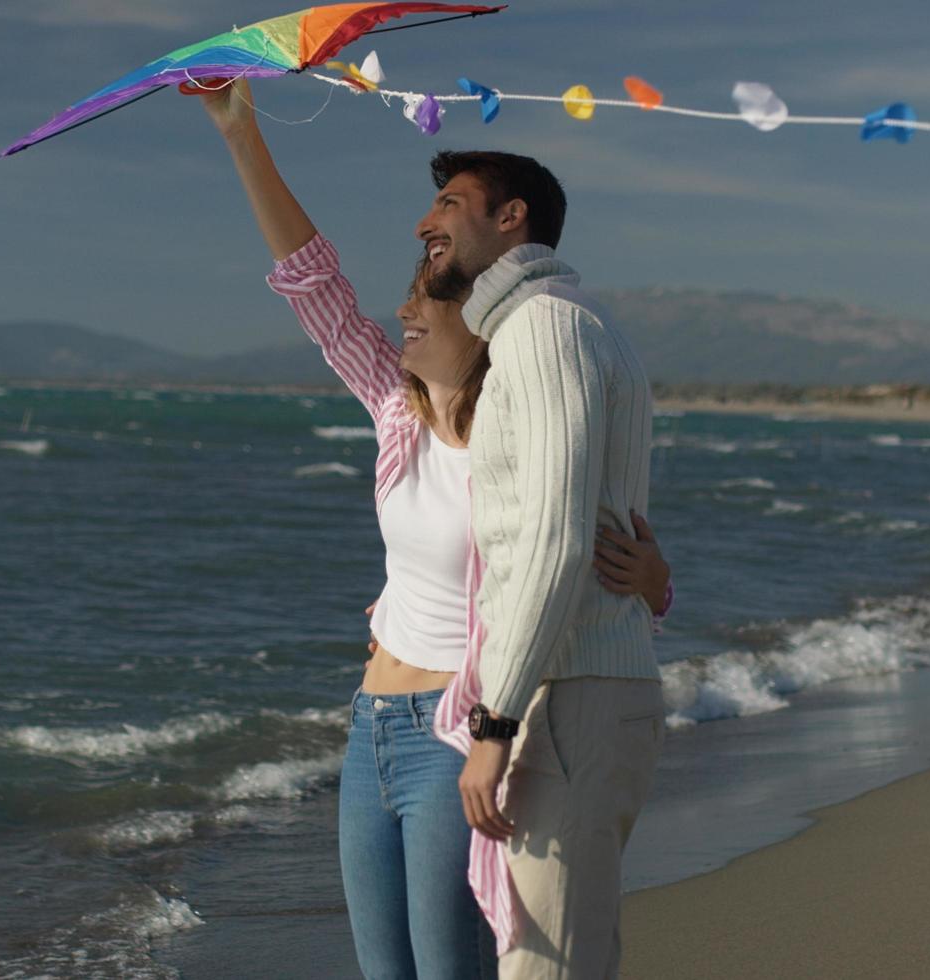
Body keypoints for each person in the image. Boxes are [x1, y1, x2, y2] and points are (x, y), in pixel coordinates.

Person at [198, 80, 672, 979]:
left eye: (425, 302)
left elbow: (577, 537)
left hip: (464, 729)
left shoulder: (527, 402)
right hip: (373, 721)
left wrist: (653, 578)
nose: (405, 314)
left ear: (478, 319)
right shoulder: (394, 411)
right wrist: (240, 132)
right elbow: (313, 284)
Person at [419, 149, 665, 978]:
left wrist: (495, 724)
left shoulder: (546, 328)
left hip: (571, 698)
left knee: (546, 967)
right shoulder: (557, 326)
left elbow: (557, 541)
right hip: (581, 691)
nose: (427, 223)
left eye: (451, 204)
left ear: (511, 217)